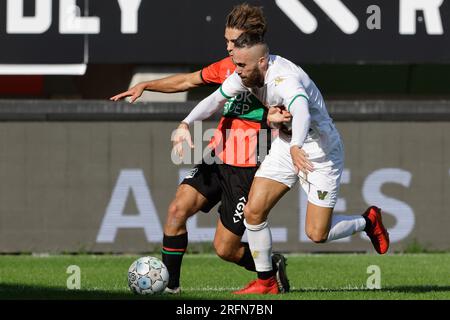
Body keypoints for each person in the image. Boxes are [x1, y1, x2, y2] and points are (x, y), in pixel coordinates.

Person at [178, 31, 390, 295]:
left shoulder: (284, 78)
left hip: (319, 151)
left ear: (263, 62)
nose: (237, 70)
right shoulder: (245, 74)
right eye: (237, 65)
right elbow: (215, 99)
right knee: (253, 213)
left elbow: (300, 109)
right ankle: (267, 282)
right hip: (286, 146)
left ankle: (368, 221)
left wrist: (297, 145)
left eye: (242, 65)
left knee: (317, 233)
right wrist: (186, 123)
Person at [110, 4, 291, 294]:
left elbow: (288, 114)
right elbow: (187, 80)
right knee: (176, 210)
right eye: (227, 41)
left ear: (252, 43)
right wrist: (146, 85)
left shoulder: (272, 75)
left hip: (248, 165)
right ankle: (171, 289)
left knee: (224, 248)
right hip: (218, 156)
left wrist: (280, 121)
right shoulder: (225, 68)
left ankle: (269, 265)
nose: (229, 48)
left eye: (234, 42)